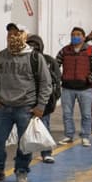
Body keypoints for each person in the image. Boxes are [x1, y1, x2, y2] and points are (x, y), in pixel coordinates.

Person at [0, 23, 50, 182]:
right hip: (3, 108)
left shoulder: (35, 58)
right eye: (10, 34)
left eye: (17, 33)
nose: (12, 37)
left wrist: (40, 106)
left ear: (25, 36)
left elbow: (46, 83)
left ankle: (22, 171)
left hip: (26, 108)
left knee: (24, 142)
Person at [55, 26, 92, 147]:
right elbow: (55, 65)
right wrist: (61, 77)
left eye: (78, 35)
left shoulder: (91, 51)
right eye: (73, 35)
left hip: (85, 89)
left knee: (86, 114)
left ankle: (85, 136)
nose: (75, 37)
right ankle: (69, 135)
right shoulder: (65, 50)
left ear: (83, 37)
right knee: (67, 114)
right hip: (67, 88)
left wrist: (89, 79)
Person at [26, 35, 62, 164]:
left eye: (35, 45)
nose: (33, 48)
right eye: (30, 45)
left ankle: (46, 153)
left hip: (44, 101)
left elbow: (57, 80)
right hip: (27, 100)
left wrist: (54, 97)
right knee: (25, 130)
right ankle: (26, 154)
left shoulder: (49, 61)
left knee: (44, 127)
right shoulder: (23, 60)